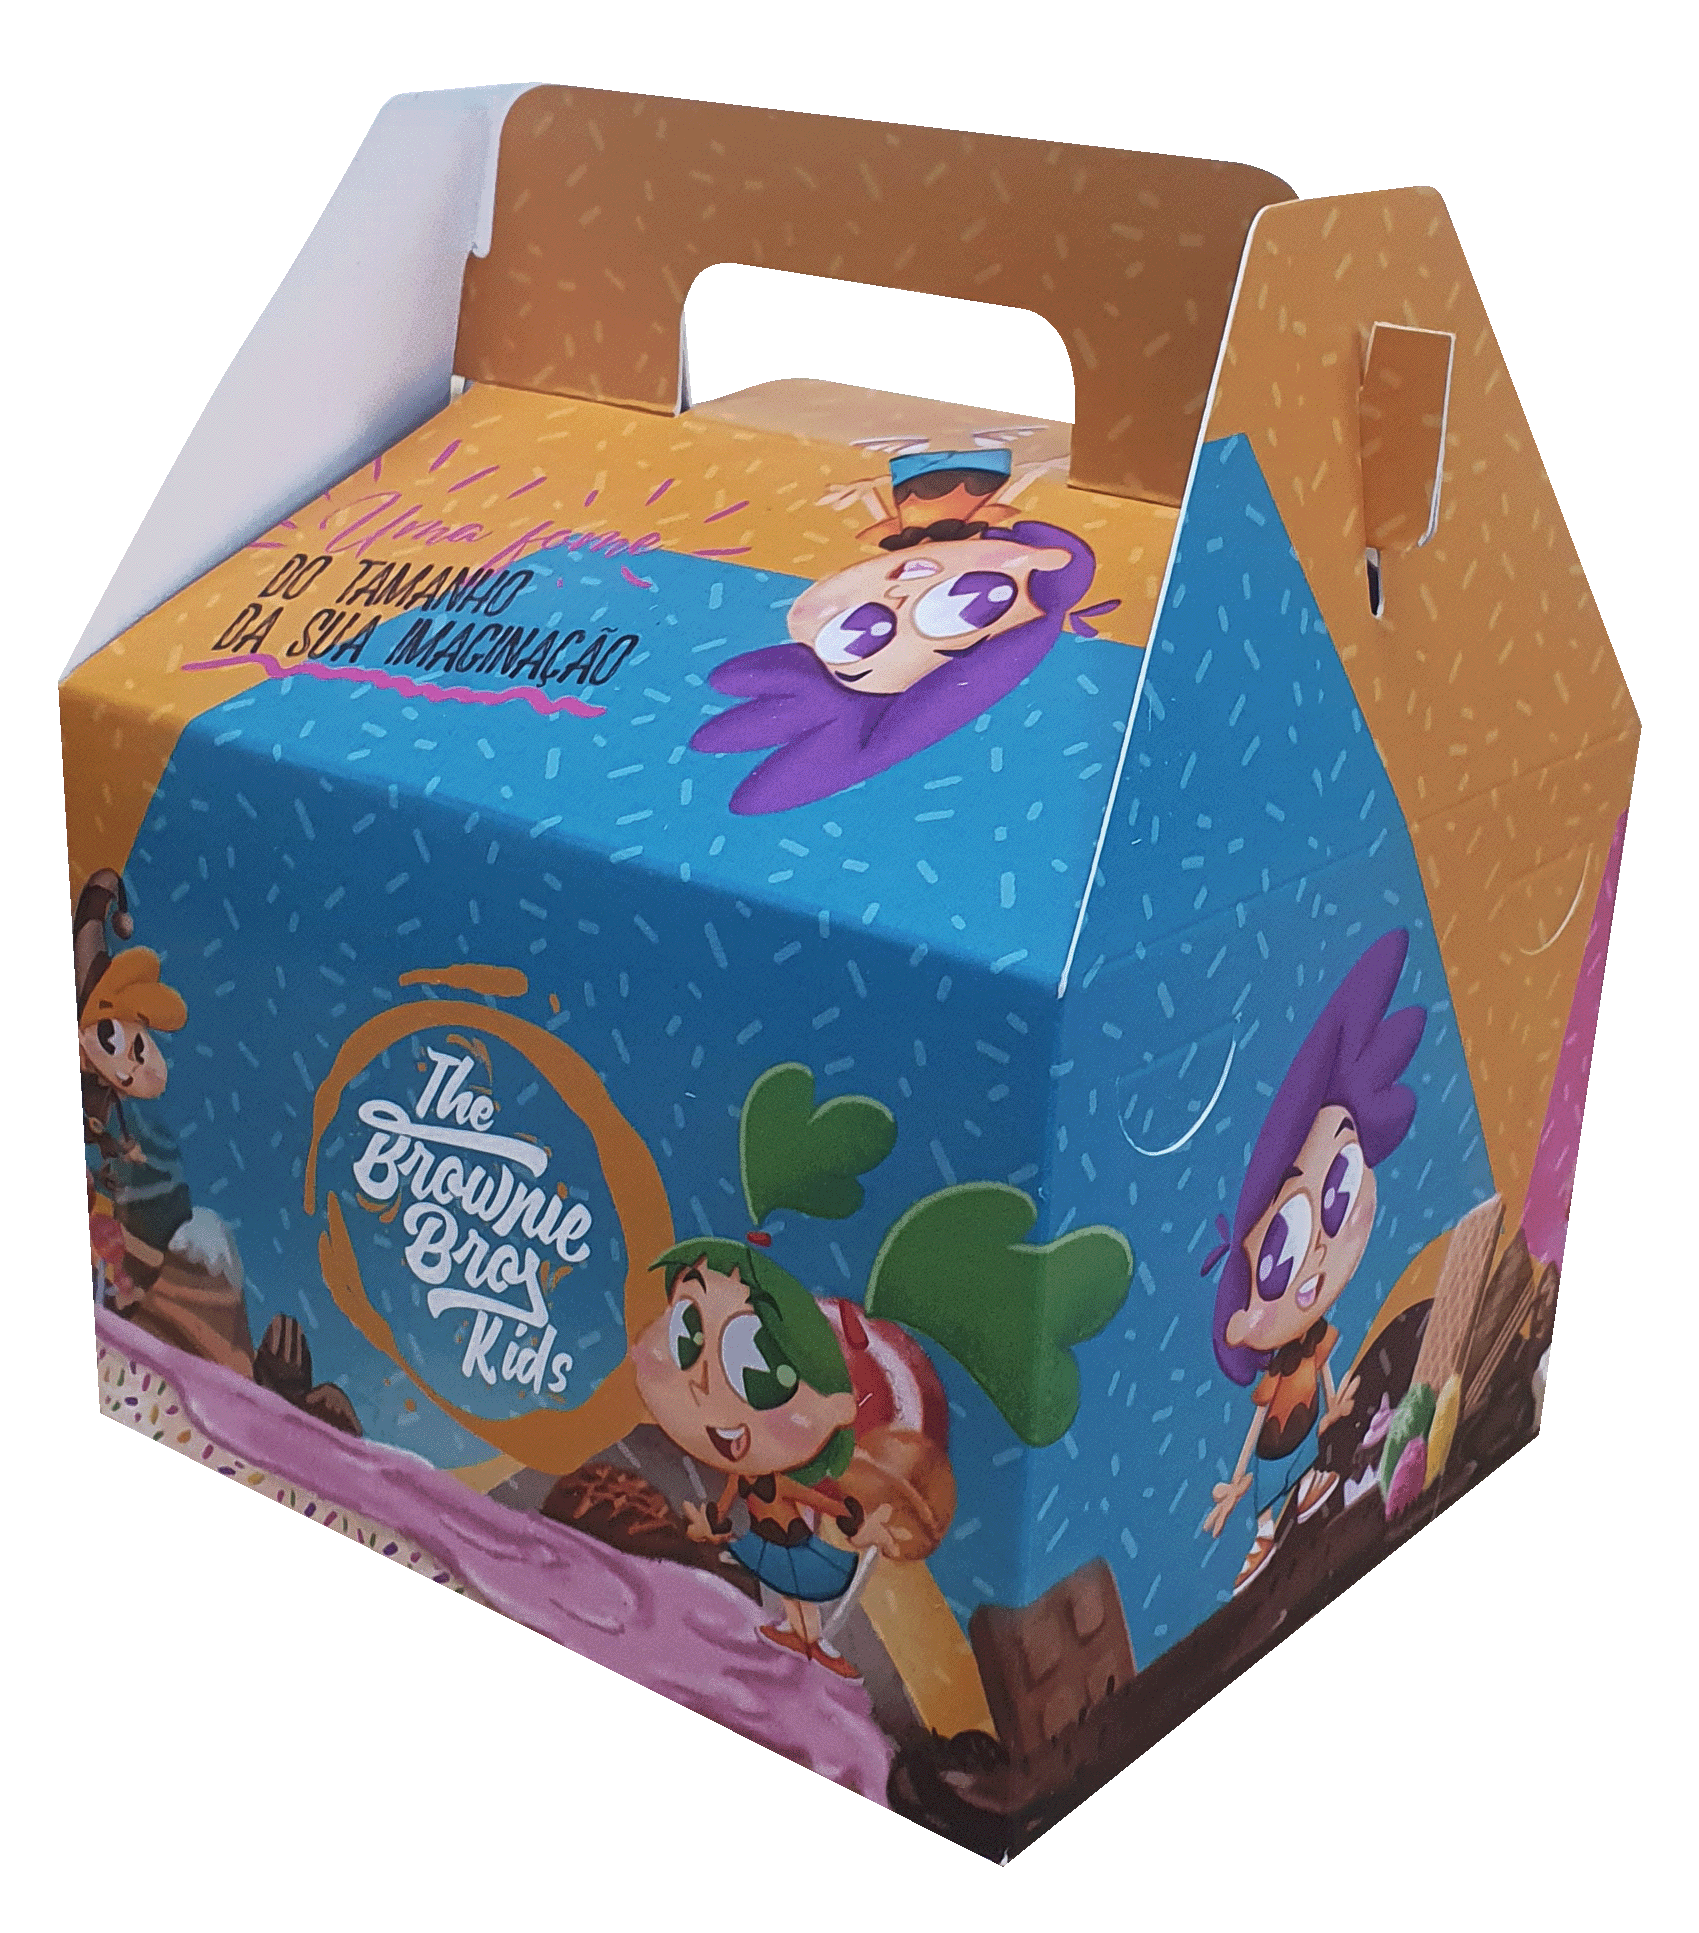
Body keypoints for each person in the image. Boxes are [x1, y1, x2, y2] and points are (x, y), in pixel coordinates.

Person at [1200, 930, 1426, 1593]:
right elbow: (1253, 1430)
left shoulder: (1311, 1340)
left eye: (1339, 1190)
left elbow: (1325, 1372)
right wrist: (1234, 1482)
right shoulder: (1272, 1367)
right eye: (1283, 1249)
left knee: (1307, 1470)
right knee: (1275, 1482)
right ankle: (1263, 1528)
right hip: (1275, 1447)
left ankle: (1305, 1492)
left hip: (1311, 1442)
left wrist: (1334, 1410)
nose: (1321, 1252)